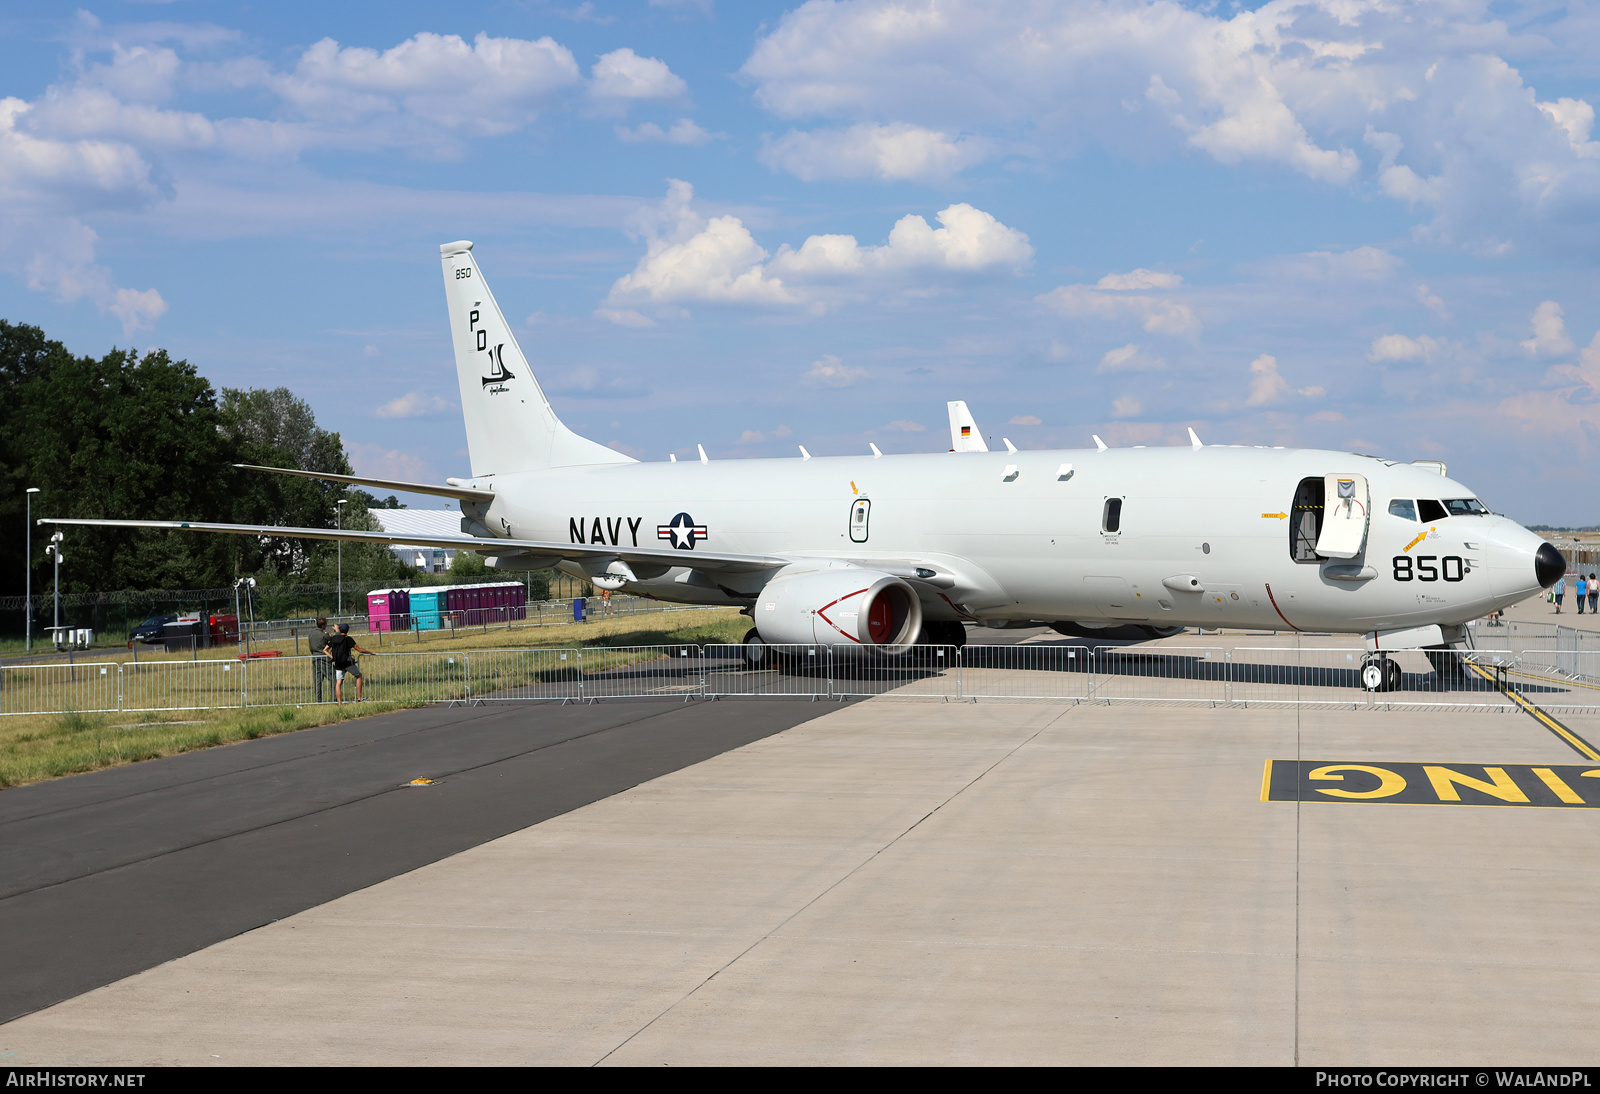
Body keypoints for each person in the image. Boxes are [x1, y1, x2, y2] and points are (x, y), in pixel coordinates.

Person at [324, 623, 374, 704]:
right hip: (347, 663)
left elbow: (325, 650)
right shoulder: (348, 639)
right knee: (358, 676)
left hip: (338, 664)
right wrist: (371, 652)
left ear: (340, 630)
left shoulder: (333, 638)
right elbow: (359, 650)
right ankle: (359, 698)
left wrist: (332, 657)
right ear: (347, 630)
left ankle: (339, 703)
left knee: (338, 682)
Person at [311, 616, 335, 702]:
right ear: (324, 625)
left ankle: (318, 700)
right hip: (324, 659)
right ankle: (334, 698)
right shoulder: (324, 635)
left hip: (315, 658)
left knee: (318, 681)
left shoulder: (311, 634)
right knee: (333, 678)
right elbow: (332, 640)